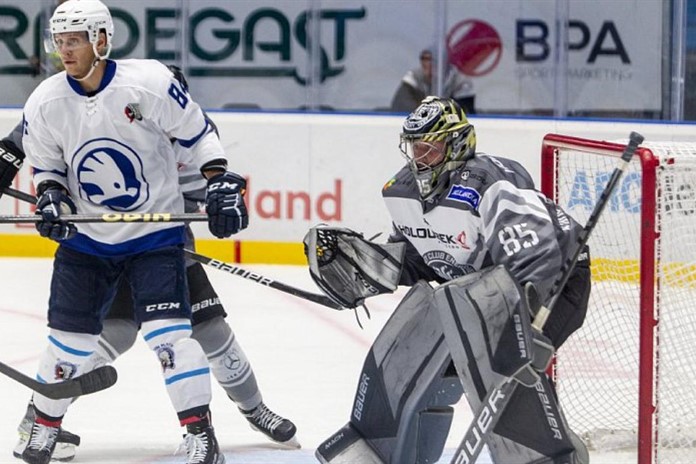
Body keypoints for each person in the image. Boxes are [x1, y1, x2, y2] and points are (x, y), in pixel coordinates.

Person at [15, 0, 254, 462]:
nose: (65, 51)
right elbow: (47, 166)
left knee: (171, 336)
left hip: (153, 237)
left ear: (102, 40)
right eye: (60, 41)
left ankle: (200, 434)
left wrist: (220, 181)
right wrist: (52, 196)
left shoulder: (149, 83)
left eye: (75, 40)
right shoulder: (45, 100)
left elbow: (199, 135)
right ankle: (43, 427)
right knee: (68, 343)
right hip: (86, 241)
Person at [306, 96, 590, 464]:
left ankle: (548, 458)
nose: (419, 157)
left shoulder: (490, 181)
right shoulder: (403, 190)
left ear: (457, 143)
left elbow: (535, 255)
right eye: (414, 147)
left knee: (503, 372)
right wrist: (370, 267)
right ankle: (390, 447)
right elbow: (426, 261)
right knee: (434, 367)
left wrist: (525, 327)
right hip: (485, 292)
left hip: (556, 280)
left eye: (430, 147)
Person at [1, 113, 298, 460]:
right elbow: (38, 125)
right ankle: (38, 419)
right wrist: (6, 153)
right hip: (104, 248)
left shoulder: (192, 128)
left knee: (212, 330)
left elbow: (203, 188)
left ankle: (254, 409)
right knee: (111, 336)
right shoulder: (107, 111)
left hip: (160, 249)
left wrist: (215, 202)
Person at [390, 49, 475, 114]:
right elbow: (401, 108)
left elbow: (466, 111)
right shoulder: (414, 79)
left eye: (433, 59)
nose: (428, 64)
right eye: (424, 59)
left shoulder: (458, 80)